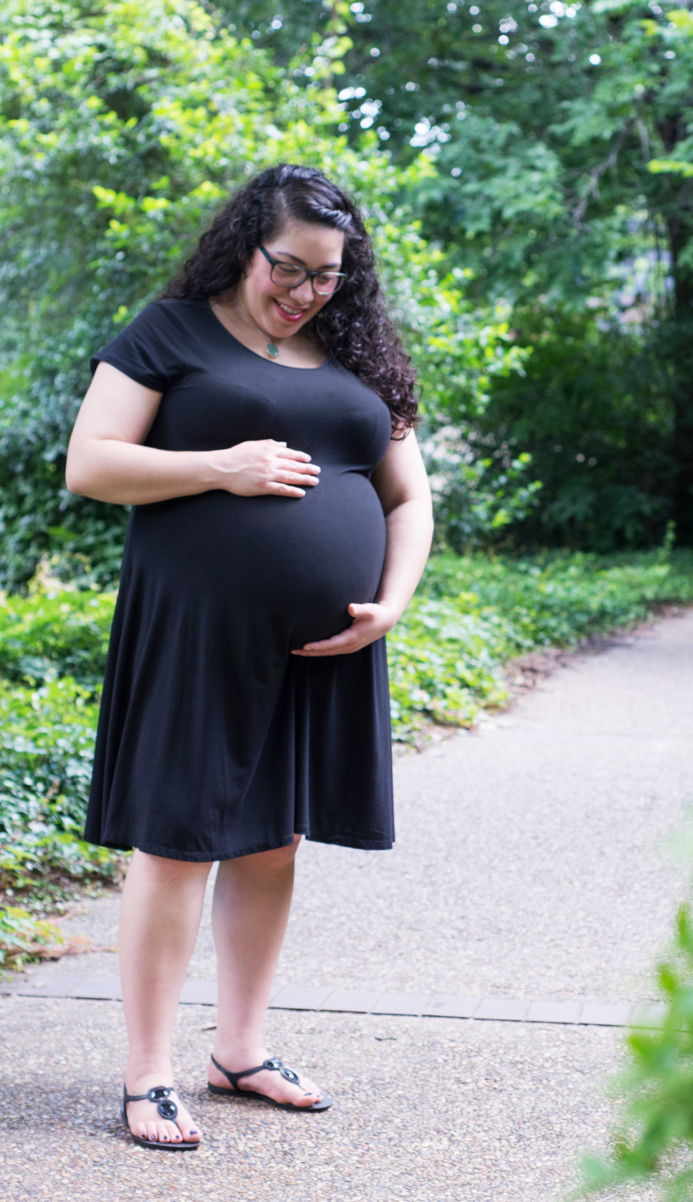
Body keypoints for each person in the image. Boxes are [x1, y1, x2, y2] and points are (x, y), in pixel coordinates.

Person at [63, 164, 434, 1151]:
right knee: (178, 838)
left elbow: (408, 496)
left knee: (274, 840)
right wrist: (221, 468)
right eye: (290, 267)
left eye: (328, 275)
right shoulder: (171, 332)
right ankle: (149, 1073)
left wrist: (392, 602)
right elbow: (90, 462)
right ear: (245, 245)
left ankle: (239, 1049)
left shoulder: (356, 352)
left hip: (325, 642)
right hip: (196, 629)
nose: (307, 291)